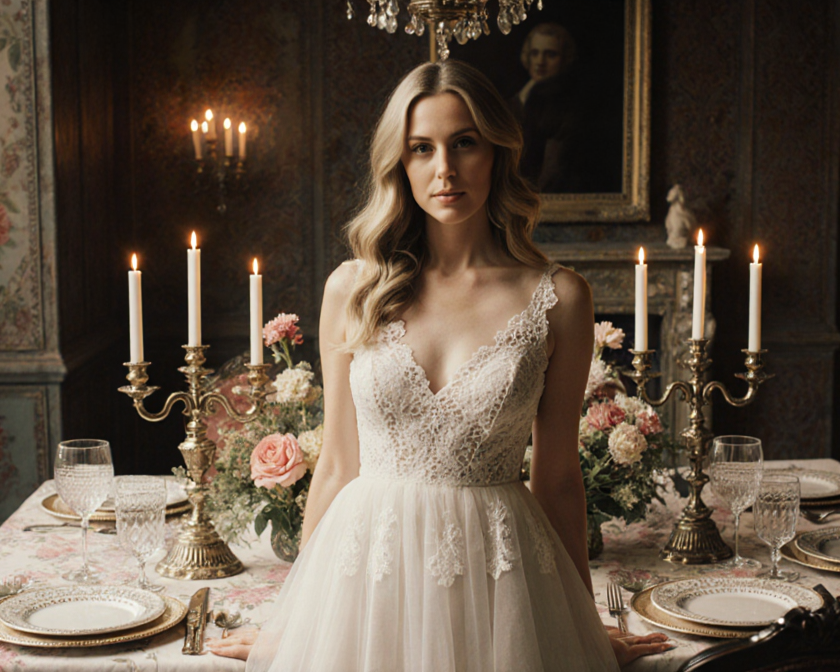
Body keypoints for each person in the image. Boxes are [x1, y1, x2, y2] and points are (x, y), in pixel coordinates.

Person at [206, 60, 672, 671]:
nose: (444, 169)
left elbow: (557, 480)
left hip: (500, 585)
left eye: (464, 144)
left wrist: (579, 626)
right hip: (367, 585)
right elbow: (338, 464)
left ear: (498, 153)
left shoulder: (560, 298)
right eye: (421, 148)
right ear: (399, 162)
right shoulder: (354, 289)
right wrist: (290, 624)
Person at [510, 23, 584, 191]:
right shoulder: (521, 96)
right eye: (535, 53)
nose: (540, 62)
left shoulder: (566, 104)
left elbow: (553, 168)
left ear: (565, 59)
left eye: (550, 54)